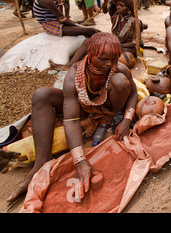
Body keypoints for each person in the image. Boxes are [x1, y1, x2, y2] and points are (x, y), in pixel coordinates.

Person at [6, 32, 138, 202]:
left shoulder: (118, 69)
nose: (109, 64)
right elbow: (71, 120)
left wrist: (127, 119)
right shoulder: (74, 75)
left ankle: (105, 119)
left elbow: (133, 92)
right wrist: (80, 161)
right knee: (41, 95)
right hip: (83, 107)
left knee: (121, 82)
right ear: (90, 55)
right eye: (104, 59)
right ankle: (42, 161)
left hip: (107, 107)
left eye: (114, 59)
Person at [33, 0, 101, 71]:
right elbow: (63, 19)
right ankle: (69, 66)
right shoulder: (45, 0)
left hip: (57, 22)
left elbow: (62, 18)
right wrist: (80, 27)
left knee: (89, 32)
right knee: (91, 31)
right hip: (53, 26)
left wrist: (78, 27)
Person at [111, 0, 147, 67]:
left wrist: (117, 45)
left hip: (130, 48)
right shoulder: (116, 18)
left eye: (122, 6)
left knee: (126, 60)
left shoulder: (135, 22)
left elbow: (134, 43)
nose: (118, 7)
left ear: (129, 8)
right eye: (117, 5)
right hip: (117, 45)